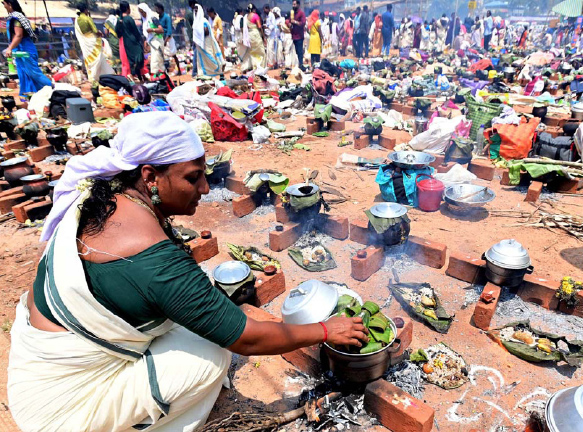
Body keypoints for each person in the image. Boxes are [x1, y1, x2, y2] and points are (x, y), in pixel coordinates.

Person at [7, 111, 369, 432]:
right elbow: (249, 340)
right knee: (213, 357)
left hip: (41, 362)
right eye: (193, 178)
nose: (205, 188)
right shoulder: (155, 261)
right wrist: (324, 329)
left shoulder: (104, 198)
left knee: (196, 328)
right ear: (150, 176)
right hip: (61, 408)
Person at [1, 0, 52, 96]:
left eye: (4, 4)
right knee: (23, 75)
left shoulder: (17, 19)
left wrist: (10, 48)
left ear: (10, 5)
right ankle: (29, 97)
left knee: (34, 74)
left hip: (25, 51)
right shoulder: (12, 18)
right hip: (19, 51)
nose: (4, 6)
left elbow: (19, 35)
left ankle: (53, 88)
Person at [74, 3, 114, 83]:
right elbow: (95, 31)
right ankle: (98, 76)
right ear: (85, 9)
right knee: (97, 59)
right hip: (93, 42)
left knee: (91, 60)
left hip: (86, 43)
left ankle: (96, 76)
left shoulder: (77, 20)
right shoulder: (87, 18)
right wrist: (100, 34)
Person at [191, 1, 224, 76]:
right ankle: (203, 74)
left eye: (197, 10)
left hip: (206, 42)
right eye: (194, 11)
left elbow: (206, 32)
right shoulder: (196, 22)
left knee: (210, 58)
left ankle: (218, 71)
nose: (195, 12)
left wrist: (200, 31)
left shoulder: (203, 21)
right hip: (199, 44)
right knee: (201, 60)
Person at [116, 1, 145, 81]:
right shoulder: (129, 18)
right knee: (139, 56)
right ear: (127, 8)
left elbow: (118, 33)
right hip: (133, 41)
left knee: (131, 59)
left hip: (126, 42)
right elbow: (135, 31)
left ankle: (138, 77)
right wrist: (140, 39)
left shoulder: (119, 20)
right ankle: (133, 74)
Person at [138, 3, 165, 76]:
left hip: (157, 41)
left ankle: (160, 78)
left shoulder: (153, 18)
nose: (142, 14)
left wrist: (152, 30)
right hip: (152, 43)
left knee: (156, 62)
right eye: (140, 12)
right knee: (154, 62)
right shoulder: (145, 21)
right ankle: (158, 79)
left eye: (143, 12)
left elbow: (161, 30)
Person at [154, 3, 179, 75]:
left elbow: (169, 29)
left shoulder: (166, 17)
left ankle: (179, 70)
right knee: (162, 56)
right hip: (161, 38)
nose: (156, 10)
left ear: (161, 9)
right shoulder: (159, 17)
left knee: (173, 54)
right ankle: (165, 72)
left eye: (157, 8)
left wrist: (166, 40)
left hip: (168, 39)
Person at [239, 4, 266, 72]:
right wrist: (263, 36)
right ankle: (260, 67)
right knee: (261, 51)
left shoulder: (246, 17)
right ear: (254, 9)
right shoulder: (255, 15)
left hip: (250, 35)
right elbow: (259, 27)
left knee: (253, 51)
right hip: (255, 34)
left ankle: (255, 66)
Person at [290, 0, 306, 70]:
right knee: (295, 51)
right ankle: (296, 64)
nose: (293, 6)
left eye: (295, 4)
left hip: (299, 36)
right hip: (293, 36)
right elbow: (287, 20)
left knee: (299, 51)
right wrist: (289, 23)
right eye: (293, 4)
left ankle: (301, 65)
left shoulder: (301, 13)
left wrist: (295, 22)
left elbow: (303, 23)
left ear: (298, 5)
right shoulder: (292, 13)